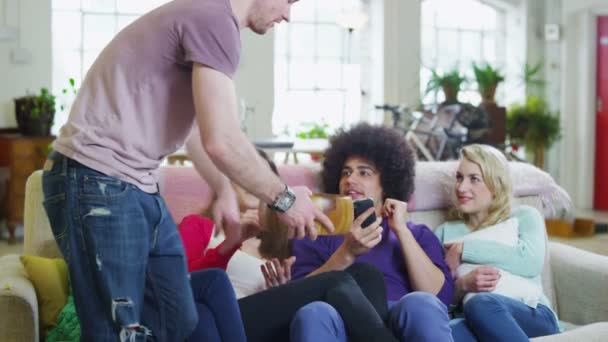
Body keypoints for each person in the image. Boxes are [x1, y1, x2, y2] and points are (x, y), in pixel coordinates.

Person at [41, 0, 334, 340]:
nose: (287, 14)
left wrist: (223, 189)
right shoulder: (213, 19)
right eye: (288, 1)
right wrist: (284, 198)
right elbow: (222, 140)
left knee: (177, 316)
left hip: (136, 184)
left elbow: (195, 130)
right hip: (97, 177)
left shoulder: (209, 20)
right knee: (119, 328)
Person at [274, 123, 455, 341]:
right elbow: (296, 296)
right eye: (346, 173)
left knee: (421, 303)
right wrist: (346, 253)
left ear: (387, 182)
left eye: (364, 172)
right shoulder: (316, 231)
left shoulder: (418, 234)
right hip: (339, 320)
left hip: (400, 321)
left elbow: (439, 297)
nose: (350, 179)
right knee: (313, 313)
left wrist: (401, 231)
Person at [434, 144, 560, 341]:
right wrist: (463, 286)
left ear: (496, 184)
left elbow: (530, 263)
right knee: (444, 332)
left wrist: (465, 249)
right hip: (476, 319)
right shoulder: (443, 232)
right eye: (459, 177)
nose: (461, 187)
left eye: (474, 179)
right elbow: (437, 300)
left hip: (533, 314)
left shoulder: (524, 216)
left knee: (481, 303)